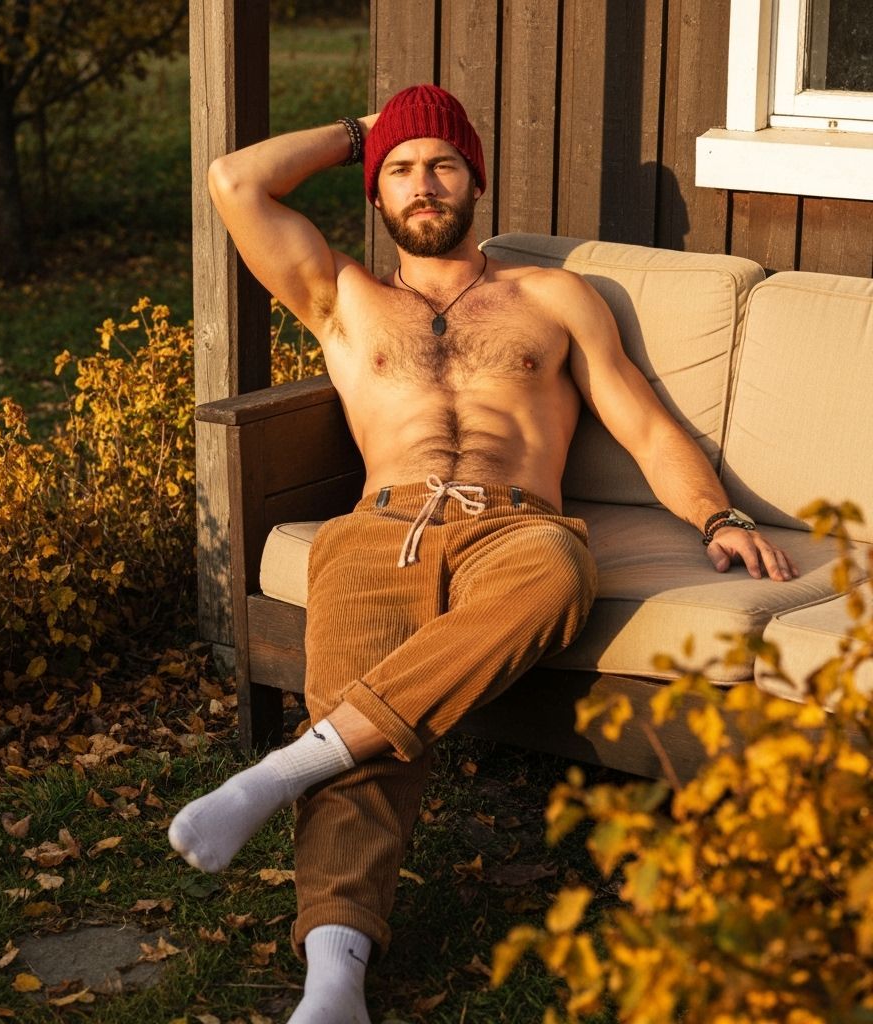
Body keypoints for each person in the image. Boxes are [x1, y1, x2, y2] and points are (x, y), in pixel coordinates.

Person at [169, 84, 799, 1023]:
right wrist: (361, 132)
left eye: (443, 165)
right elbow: (234, 182)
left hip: (516, 524)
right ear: (377, 197)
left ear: (477, 183)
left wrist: (714, 518)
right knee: (365, 706)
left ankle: (286, 767)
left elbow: (644, 423)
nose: (424, 185)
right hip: (380, 526)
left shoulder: (554, 299)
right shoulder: (341, 297)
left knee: (558, 575)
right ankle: (333, 979)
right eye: (401, 171)